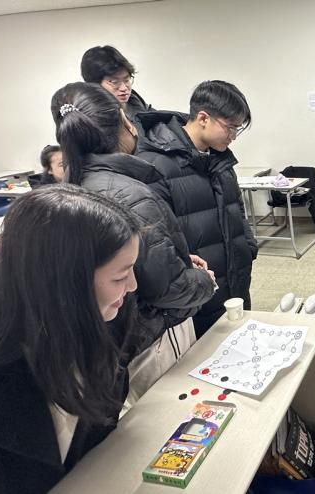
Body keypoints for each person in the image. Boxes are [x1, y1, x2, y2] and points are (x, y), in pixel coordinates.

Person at [51, 82, 215, 404]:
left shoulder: (70, 186)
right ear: (122, 124)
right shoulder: (129, 194)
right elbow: (165, 289)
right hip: (153, 339)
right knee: (175, 414)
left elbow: (139, 264)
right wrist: (203, 281)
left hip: (112, 338)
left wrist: (180, 259)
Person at [0, 184, 139, 492]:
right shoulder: (0, 365)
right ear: (65, 282)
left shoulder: (108, 317)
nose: (133, 285)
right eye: (121, 276)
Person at [136, 80, 257, 337]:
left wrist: (247, 246)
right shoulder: (155, 164)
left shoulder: (219, 158)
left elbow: (237, 208)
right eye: (230, 127)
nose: (234, 136)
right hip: (197, 289)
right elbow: (158, 239)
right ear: (203, 118)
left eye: (238, 129)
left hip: (234, 278)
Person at [81, 45, 152, 119]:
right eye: (114, 82)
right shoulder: (85, 120)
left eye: (127, 80)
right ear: (94, 86)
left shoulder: (138, 104)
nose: (124, 88)